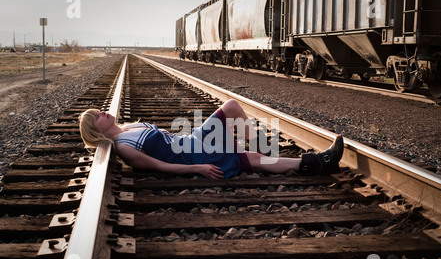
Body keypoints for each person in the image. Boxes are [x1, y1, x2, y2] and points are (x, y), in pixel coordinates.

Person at [79, 99, 344, 179]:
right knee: (252, 160)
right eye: (96, 117)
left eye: (99, 111)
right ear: (97, 132)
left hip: (192, 140)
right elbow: (159, 166)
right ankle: (320, 163)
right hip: (193, 154)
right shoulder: (125, 147)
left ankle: (318, 162)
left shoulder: (127, 127)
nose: (102, 112)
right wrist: (198, 168)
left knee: (232, 110)